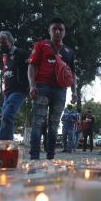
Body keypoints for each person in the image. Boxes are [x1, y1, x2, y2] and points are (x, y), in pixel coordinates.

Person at [28, 17, 77, 160]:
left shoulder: (69, 51)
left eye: (60, 29)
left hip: (60, 90)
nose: (57, 31)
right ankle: (34, 157)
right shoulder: (41, 45)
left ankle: (51, 157)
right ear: (49, 31)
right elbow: (32, 66)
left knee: (54, 124)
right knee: (38, 122)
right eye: (54, 29)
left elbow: (72, 73)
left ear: (65, 32)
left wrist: (74, 91)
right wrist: (32, 85)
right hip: (42, 87)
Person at [0, 30, 30, 142]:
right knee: (4, 117)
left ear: (11, 41)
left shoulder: (22, 53)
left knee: (8, 114)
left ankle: (5, 145)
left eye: (4, 42)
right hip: (7, 92)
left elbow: (33, 69)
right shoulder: (4, 57)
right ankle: (5, 143)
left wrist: (30, 85)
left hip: (19, 90)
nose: (1, 45)